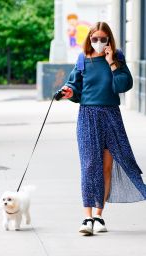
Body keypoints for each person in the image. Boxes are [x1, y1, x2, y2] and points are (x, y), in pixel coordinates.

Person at [60, 21, 146, 236]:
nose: (98, 42)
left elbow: (123, 86)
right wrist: (68, 91)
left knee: (107, 166)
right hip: (88, 116)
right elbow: (74, 86)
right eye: (94, 38)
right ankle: (86, 217)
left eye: (102, 39)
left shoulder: (117, 58)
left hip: (111, 115)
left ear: (109, 40)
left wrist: (111, 63)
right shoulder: (83, 60)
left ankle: (99, 215)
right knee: (89, 166)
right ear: (89, 39)